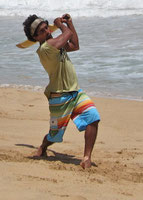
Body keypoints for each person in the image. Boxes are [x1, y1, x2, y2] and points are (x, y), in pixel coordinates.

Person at [22, 13, 100, 168]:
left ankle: (86, 158)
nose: (47, 31)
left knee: (93, 116)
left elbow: (75, 45)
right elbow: (67, 35)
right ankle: (43, 147)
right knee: (54, 135)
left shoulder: (55, 43)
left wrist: (70, 24)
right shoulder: (46, 48)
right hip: (59, 96)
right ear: (36, 38)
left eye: (46, 28)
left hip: (75, 92)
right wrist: (61, 25)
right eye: (43, 31)